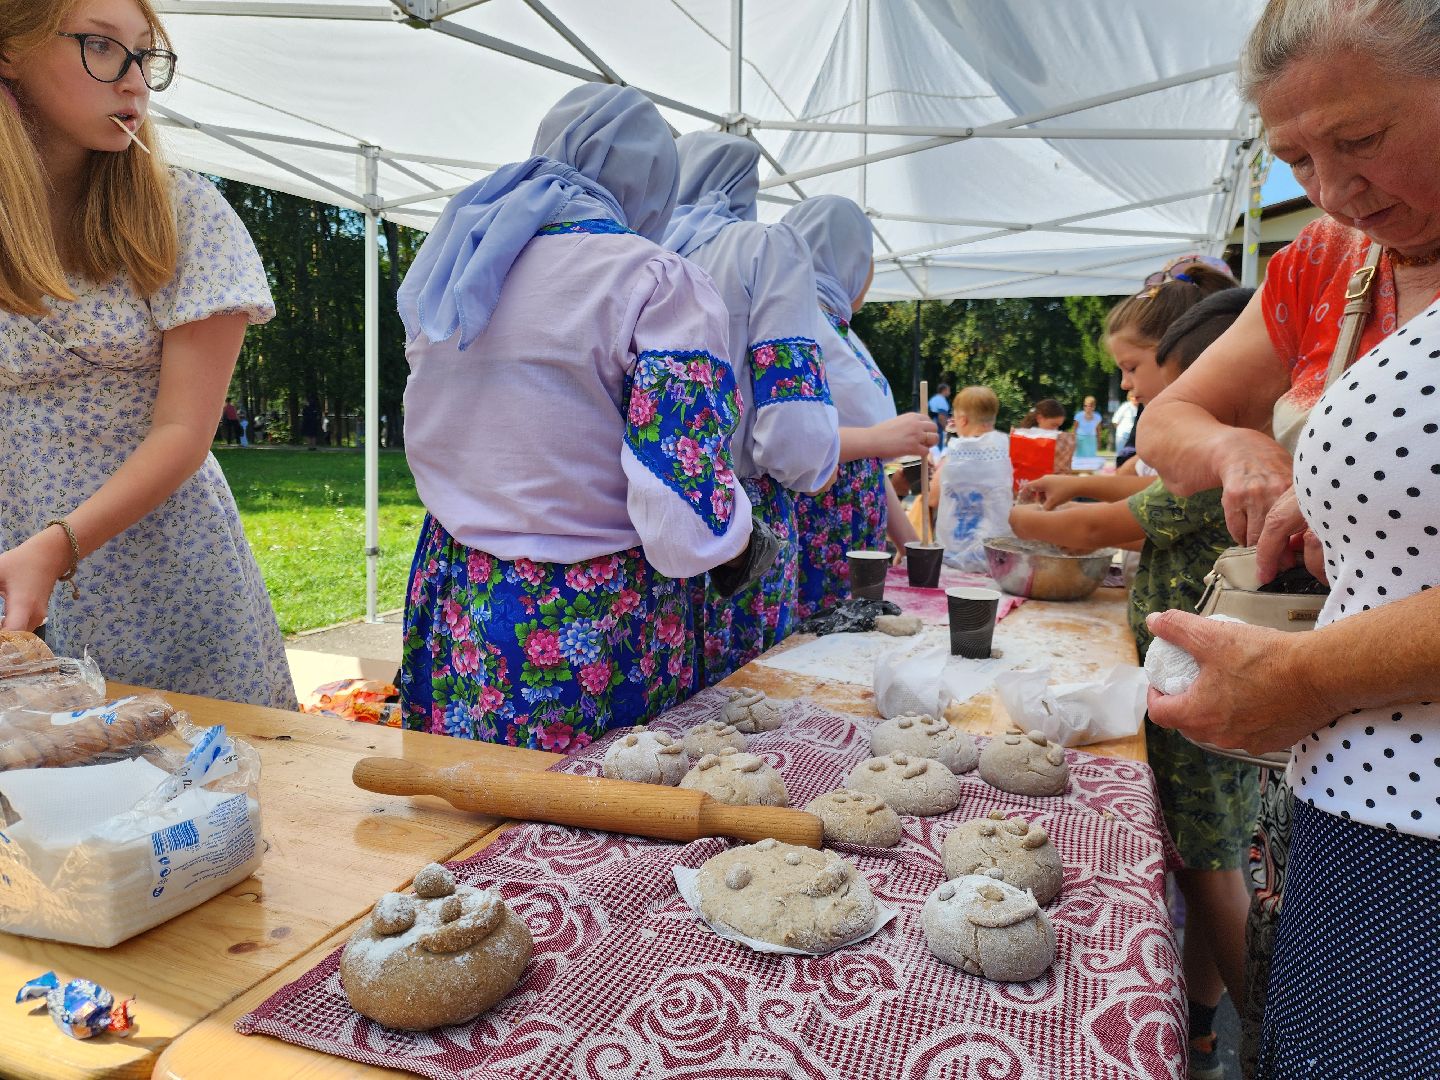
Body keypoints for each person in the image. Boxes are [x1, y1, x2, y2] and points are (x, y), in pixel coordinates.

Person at [1136, 3, 1440, 1074]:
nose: (1333, 186)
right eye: (1296, 156)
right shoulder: (1333, 261)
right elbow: (1167, 418)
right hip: (1344, 800)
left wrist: (1306, 680)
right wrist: (1245, 455)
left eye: (1360, 140)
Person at [398, 84, 761, 752]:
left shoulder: (463, 263)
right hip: (588, 607)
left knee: (463, 816)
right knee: (588, 832)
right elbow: (680, 491)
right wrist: (737, 541)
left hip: (457, 586)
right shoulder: (654, 278)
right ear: (655, 180)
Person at [0, 0, 294, 708]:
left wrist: (56, 546)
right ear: (10, 51)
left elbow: (183, 433)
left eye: (143, 54)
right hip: (10, 562)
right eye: (101, 47)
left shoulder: (183, 212)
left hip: (166, 571)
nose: (134, 81)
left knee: (213, 795)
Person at [1012, 288, 1258, 1080]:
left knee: (1212, 869)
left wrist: (1016, 522)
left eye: (1136, 373)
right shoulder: (1220, 458)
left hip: (1201, 695)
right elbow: (1127, 493)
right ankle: (1202, 1025)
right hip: (1194, 688)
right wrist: (1075, 489)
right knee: (1201, 859)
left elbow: (1092, 530)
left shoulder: (1214, 470)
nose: (1138, 399)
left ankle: (1270, 1028)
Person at [662, 131, 839, 684]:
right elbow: (794, 425)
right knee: (744, 706)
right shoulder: (766, 245)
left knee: (668, 714)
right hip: (745, 516)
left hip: (649, 511)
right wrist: (810, 469)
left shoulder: (646, 249)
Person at [781, 195, 931, 618]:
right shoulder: (797, 324)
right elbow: (794, 439)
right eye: (868, 258)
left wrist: (910, 541)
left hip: (854, 532)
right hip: (819, 529)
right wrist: (880, 437)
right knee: (815, 650)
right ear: (846, 257)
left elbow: (864, 459)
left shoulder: (838, 327)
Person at [935, 386, 1012, 573]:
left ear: (962, 420)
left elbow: (932, 498)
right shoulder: (1006, 448)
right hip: (996, 555)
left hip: (954, 552)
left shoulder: (954, 454)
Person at [1072, 395, 1102, 459]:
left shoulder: (1097, 417)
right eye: (1085, 406)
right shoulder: (1078, 416)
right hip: (1080, 440)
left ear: (1094, 407)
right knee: (1079, 459)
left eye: (1090, 406)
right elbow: (1074, 430)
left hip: (1091, 440)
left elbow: (1098, 431)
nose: (1087, 408)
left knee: (1091, 459)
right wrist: (1074, 441)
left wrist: (1099, 442)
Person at [1112, 390, 1139, 457]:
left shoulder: (1140, 408)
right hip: (1122, 436)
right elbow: (1115, 421)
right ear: (1129, 398)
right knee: (1121, 455)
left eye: (1136, 397)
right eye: (1132, 397)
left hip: (1134, 437)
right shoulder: (1125, 406)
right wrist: (1121, 431)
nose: (1134, 398)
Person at [928, 382, 952, 447]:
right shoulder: (941, 401)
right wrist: (945, 428)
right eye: (948, 390)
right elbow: (941, 417)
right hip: (938, 427)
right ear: (944, 390)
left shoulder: (933, 399)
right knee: (938, 449)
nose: (949, 392)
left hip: (930, 425)